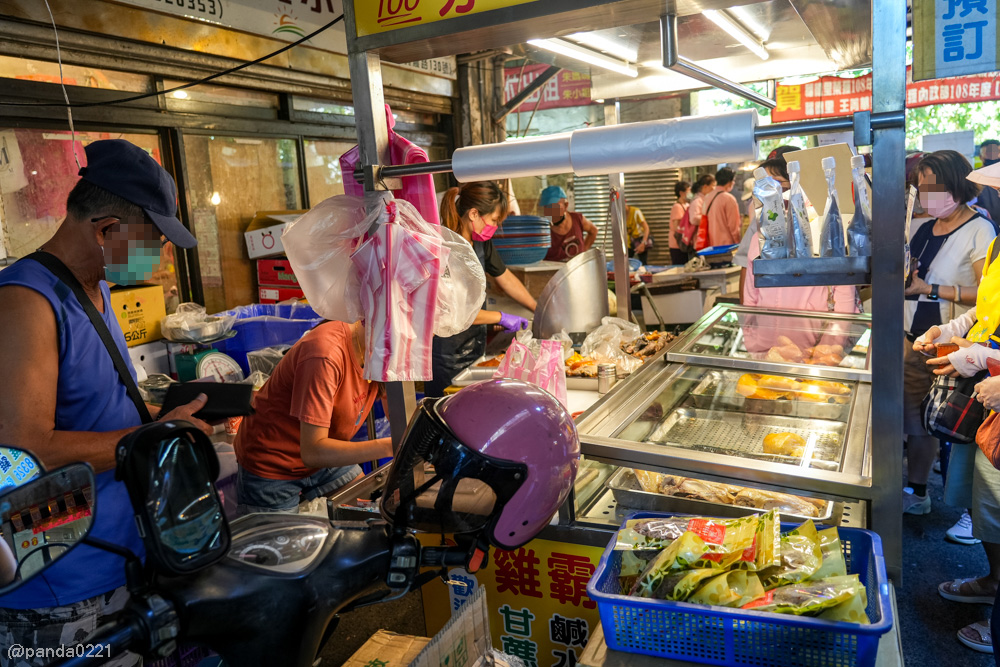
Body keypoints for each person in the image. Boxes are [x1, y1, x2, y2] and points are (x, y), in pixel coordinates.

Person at [0, 139, 211, 664]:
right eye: (155, 240)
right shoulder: (25, 301)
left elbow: (95, 414)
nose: (162, 256)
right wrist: (154, 435)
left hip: (120, 558)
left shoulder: (96, 289)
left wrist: (164, 419)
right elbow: (21, 452)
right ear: (108, 230)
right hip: (62, 585)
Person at [917, 159, 1000, 655]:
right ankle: (994, 582)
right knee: (986, 504)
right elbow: (988, 309)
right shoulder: (998, 246)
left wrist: (985, 359)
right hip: (984, 385)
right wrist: (953, 332)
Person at [902, 150, 996, 519]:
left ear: (957, 186)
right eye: (921, 187)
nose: (926, 194)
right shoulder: (922, 228)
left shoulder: (980, 230)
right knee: (919, 422)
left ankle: (969, 513)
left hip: (959, 347)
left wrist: (934, 289)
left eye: (932, 186)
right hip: (917, 339)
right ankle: (920, 491)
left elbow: (985, 294)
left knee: (961, 425)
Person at [234, 320, 392, 513]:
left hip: (327, 452)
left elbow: (397, 411)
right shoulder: (325, 354)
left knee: (373, 513)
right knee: (282, 541)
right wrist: (389, 446)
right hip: (274, 461)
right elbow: (313, 452)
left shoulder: (383, 346)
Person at [425, 181, 537, 397]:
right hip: (446, 355)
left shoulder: (480, 243)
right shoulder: (443, 246)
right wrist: (499, 317)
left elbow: (505, 277)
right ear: (474, 214)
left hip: (475, 347)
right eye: (494, 220)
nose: (494, 227)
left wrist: (537, 307)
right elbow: (454, 312)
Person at [539, 185, 598, 261]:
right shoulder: (543, 228)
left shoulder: (577, 219)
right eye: (546, 207)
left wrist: (584, 251)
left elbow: (593, 231)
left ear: (566, 205)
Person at [702, 167, 742, 247]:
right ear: (730, 182)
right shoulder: (729, 199)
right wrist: (738, 243)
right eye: (733, 181)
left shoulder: (708, 197)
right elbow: (733, 227)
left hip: (711, 245)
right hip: (727, 246)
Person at [688, 174, 716, 246]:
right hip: (699, 240)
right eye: (713, 186)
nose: (714, 189)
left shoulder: (705, 199)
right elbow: (693, 219)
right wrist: (710, 217)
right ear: (705, 187)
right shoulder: (697, 201)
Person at [668, 181, 691, 265]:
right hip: (677, 244)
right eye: (689, 191)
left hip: (684, 242)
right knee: (679, 266)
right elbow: (676, 227)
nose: (690, 193)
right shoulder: (677, 207)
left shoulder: (687, 204)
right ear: (681, 193)